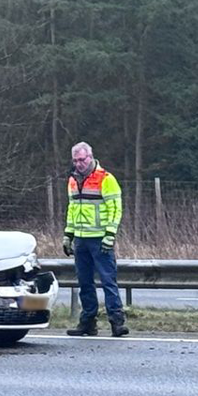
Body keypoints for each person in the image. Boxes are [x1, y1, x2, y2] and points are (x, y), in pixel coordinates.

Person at [63, 142, 127, 337]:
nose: (78, 164)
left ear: (90, 157)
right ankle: (88, 322)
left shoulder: (105, 179)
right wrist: (68, 235)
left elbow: (115, 209)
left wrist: (110, 234)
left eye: (81, 160)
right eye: (75, 160)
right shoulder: (73, 180)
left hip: (100, 239)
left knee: (108, 280)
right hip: (81, 240)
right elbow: (72, 210)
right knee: (85, 282)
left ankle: (117, 321)